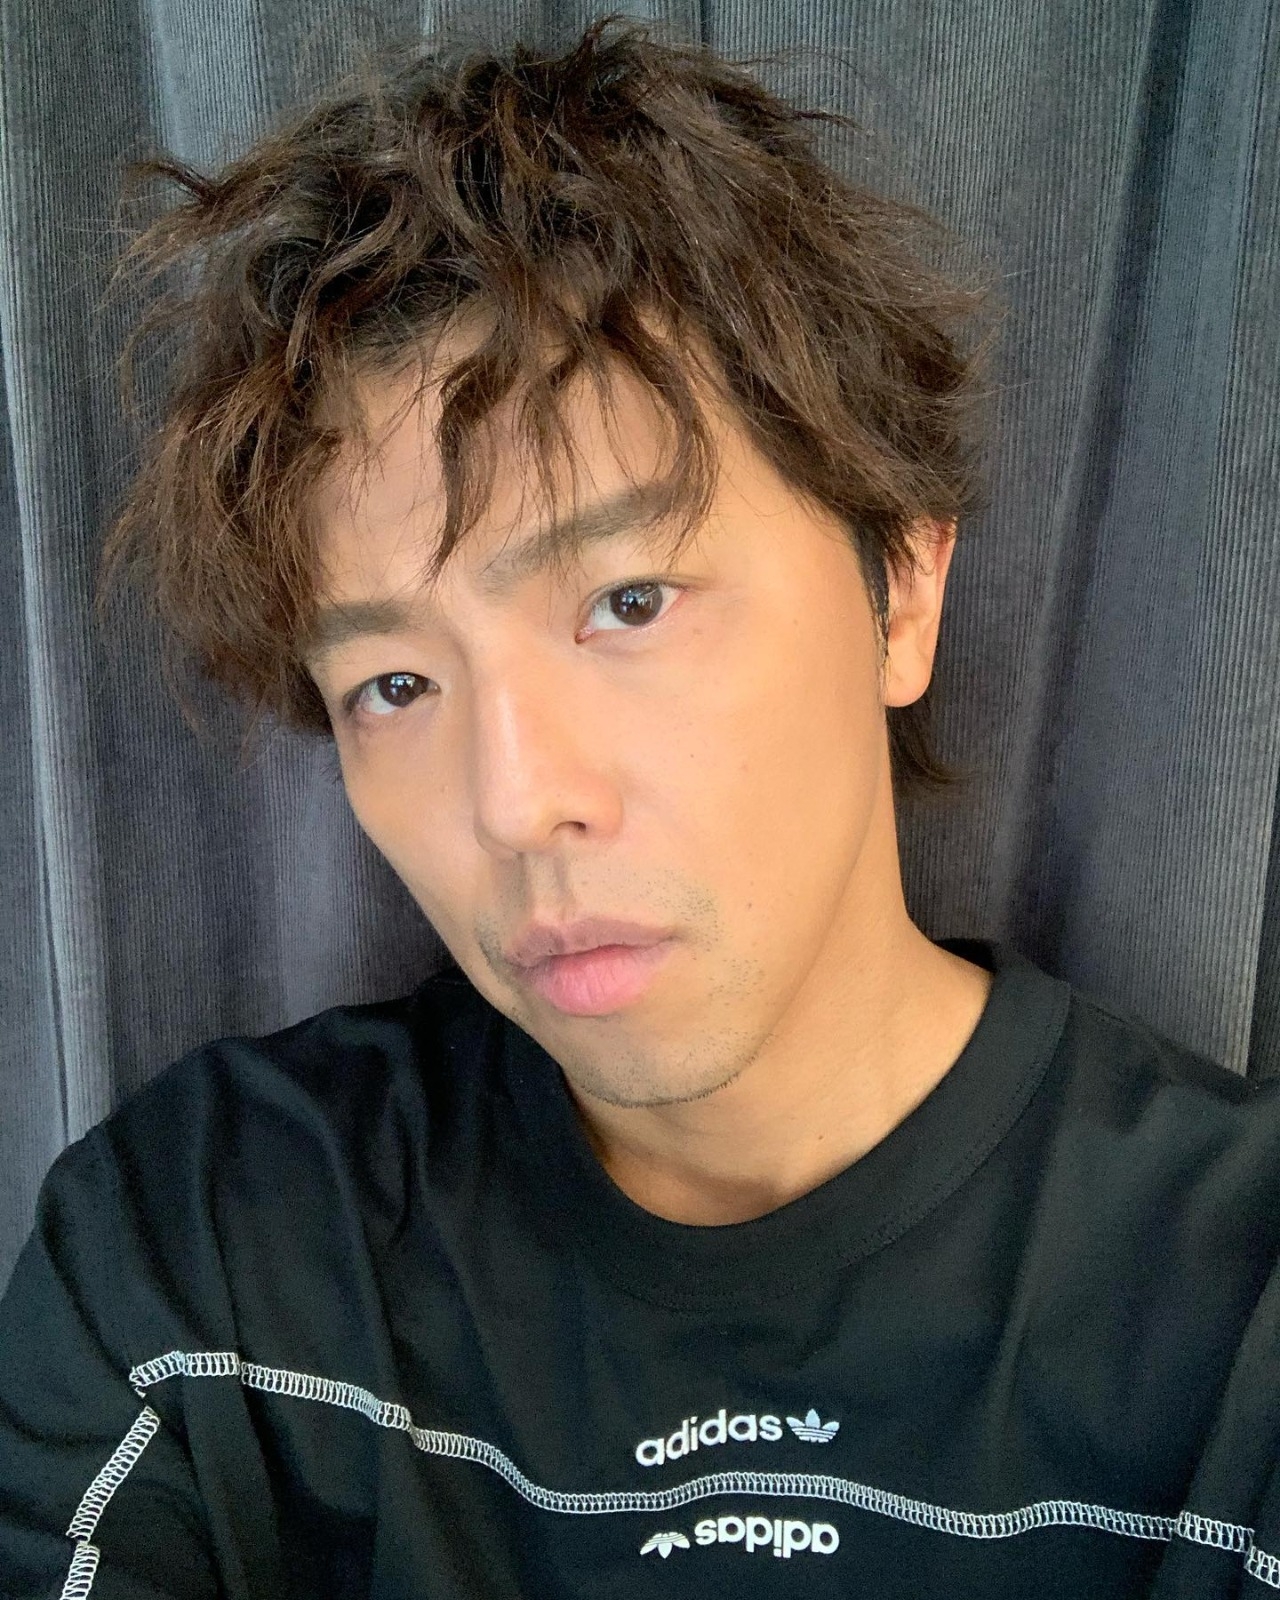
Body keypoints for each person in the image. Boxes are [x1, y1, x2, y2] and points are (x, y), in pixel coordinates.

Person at [1, 14, 1278, 1599]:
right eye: (392, 684)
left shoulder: (1242, 1314)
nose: (519, 802)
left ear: (898, 588)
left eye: (629, 601)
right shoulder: (203, 1258)